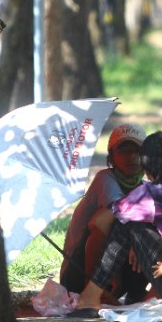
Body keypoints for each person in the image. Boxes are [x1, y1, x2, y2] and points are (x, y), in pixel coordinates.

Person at [70, 131, 162, 317]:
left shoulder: (148, 194)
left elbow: (99, 222)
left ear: (145, 167)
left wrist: (135, 238)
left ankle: (90, 295)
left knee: (125, 224)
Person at [59, 123, 147, 302]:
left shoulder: (145, 187)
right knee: (108, 221)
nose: (132, 157)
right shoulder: (105, 178)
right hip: (79, 270)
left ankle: (136, 291)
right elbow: (110, 219)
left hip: (118, 269)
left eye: (137, 151)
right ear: (112, 158)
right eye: (123, 151)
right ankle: (91, 291)